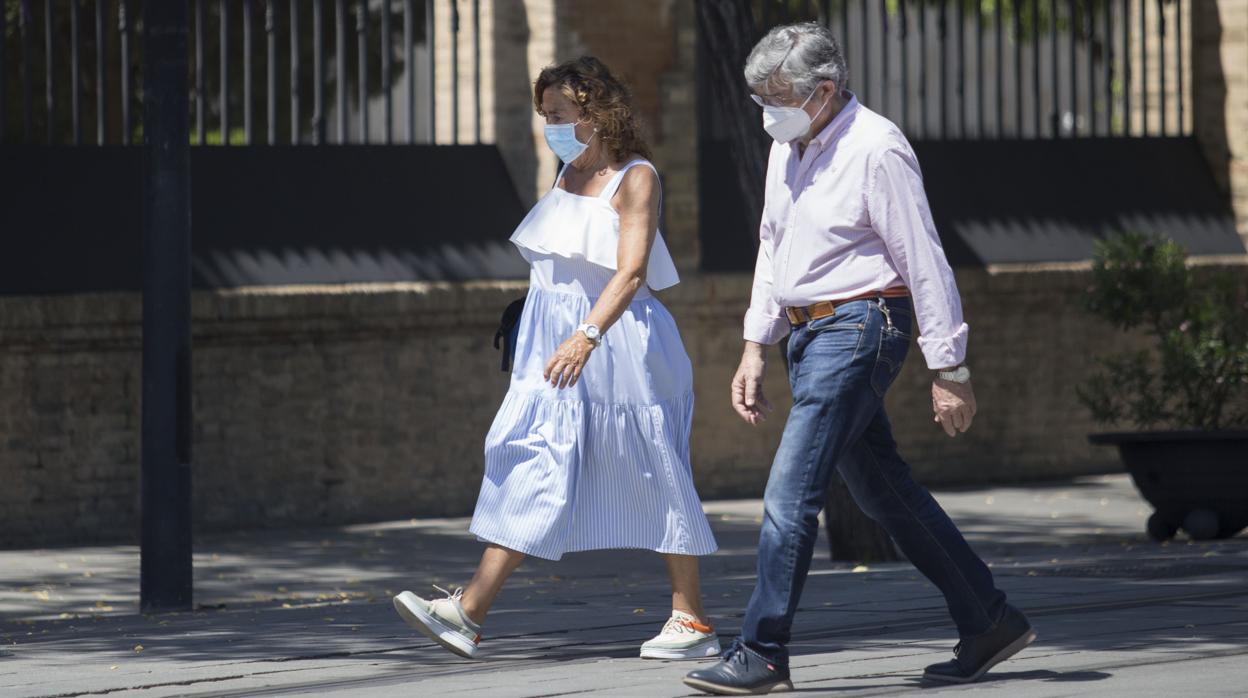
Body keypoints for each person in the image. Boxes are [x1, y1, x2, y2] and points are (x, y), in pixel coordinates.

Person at [683, 22, 1035, 695]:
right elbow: (772, 245)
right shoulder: (787, 147)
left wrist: (949, 368)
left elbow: (923, 258)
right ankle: (989, 619)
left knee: (791, 492)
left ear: (824, 90)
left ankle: (762, 650)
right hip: (808, 333)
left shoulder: (877, 147)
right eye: (761, 99)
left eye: (779, 98)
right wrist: (756, 345)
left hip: (861, 325)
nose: (768, 112)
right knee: (883, 491)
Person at [393, 56, 720, 662]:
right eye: (545, 115)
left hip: (618, 348)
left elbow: (631, 272)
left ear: (596, 111)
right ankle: (468, 612)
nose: (551, 127)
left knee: (655, 468)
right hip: (553, 353)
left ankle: (692, 618)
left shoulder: (636, 177)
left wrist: (585, 335)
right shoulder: (567, 173)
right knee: (534, 462)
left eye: (560, 114)